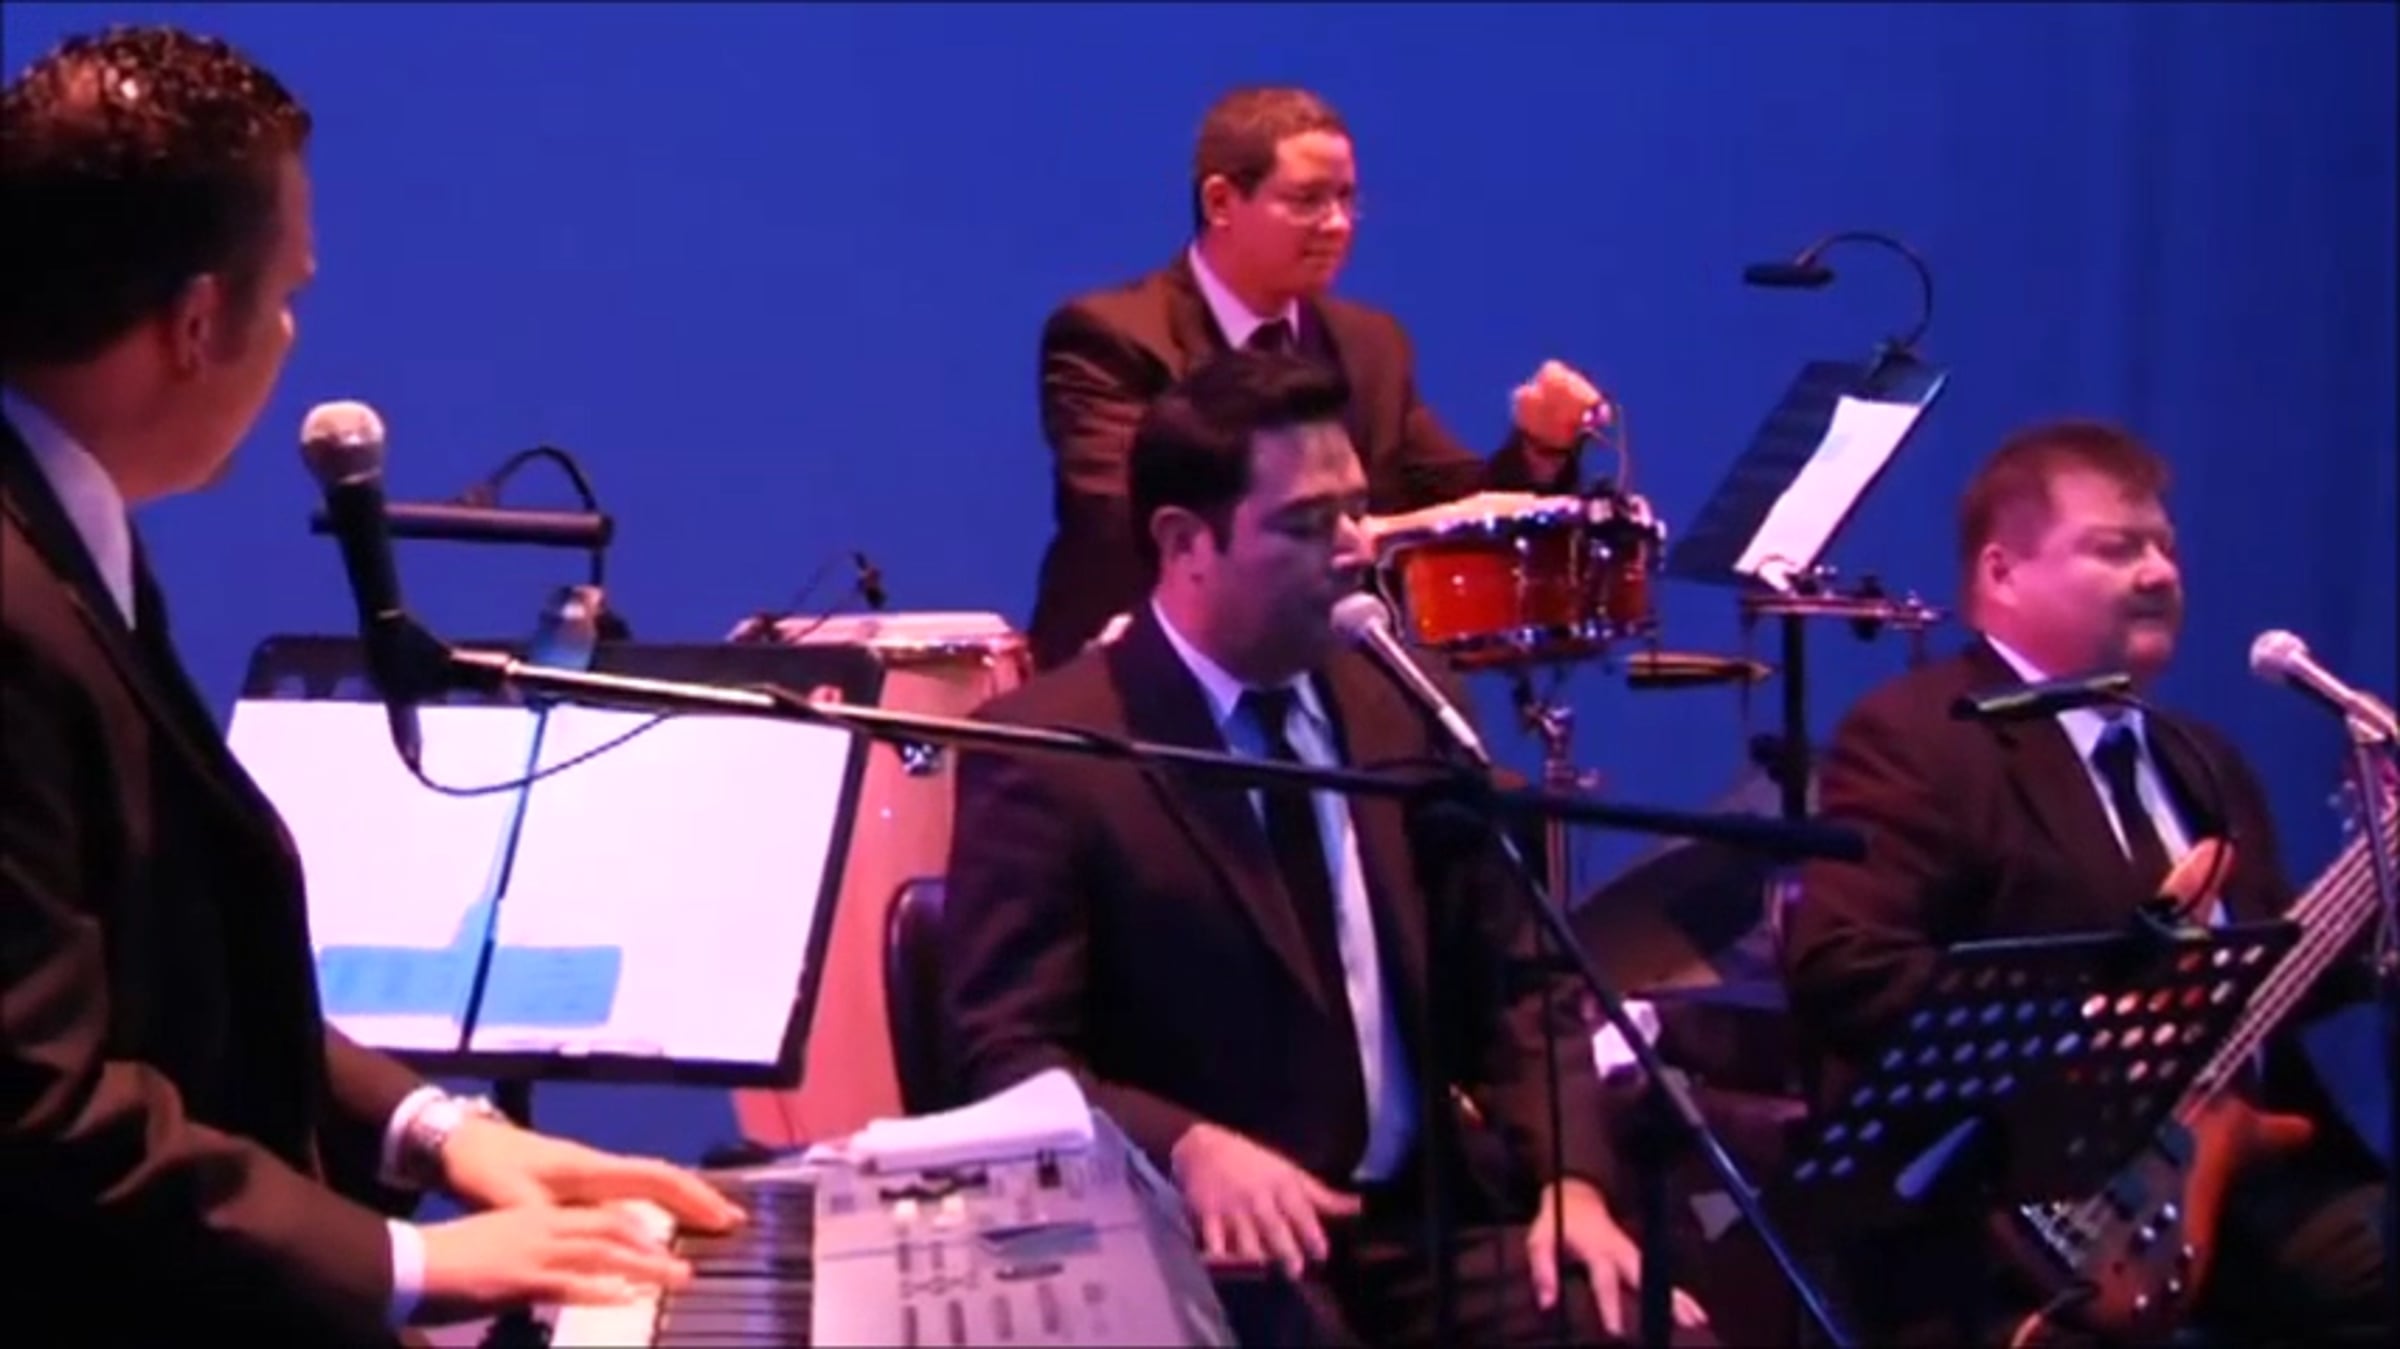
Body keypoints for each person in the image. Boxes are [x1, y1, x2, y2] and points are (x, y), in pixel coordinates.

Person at [0, 26, 743, 1345]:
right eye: (287, 294)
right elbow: (33, 1110)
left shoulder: (64, 527)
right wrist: (408, 1262)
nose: (293, 334)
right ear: (196, 323)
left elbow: (176, 996)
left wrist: (440, 1131)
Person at [941, 349, 1708, 1346]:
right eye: (1308, 523)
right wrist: (1186, 1147)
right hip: (1205, 1248)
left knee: (1649, 1331)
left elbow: (1518, 981)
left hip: (1423, 1224)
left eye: (1357, 509)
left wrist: (1573, 1184)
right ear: (1185, 543)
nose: (1355, 547)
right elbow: (1007, 1057)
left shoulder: (1402, 701)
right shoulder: (1057, 750)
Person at [1780, 418, 2391, 1345]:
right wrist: (2087, 1025)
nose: (2159, 573)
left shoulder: (2202, 760)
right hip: (2022, 1206)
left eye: (2165, 547)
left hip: (2239, 1186)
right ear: (2002, 573)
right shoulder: (1921, 737)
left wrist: (2382, 897)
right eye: (2116, 548)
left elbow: (2270, 987)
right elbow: (1844, 965)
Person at [1024, 84, 1611, 670]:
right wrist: (1370, 533)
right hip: (1136, 674)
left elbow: (1459, 507)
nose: (1337, 224)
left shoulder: (1371, 346)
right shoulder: (1113, 336)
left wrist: (1539, 450)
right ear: (1221, 202)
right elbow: (1127, 518)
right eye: (1307, 200)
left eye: (1346, 198)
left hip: (1317, 676)